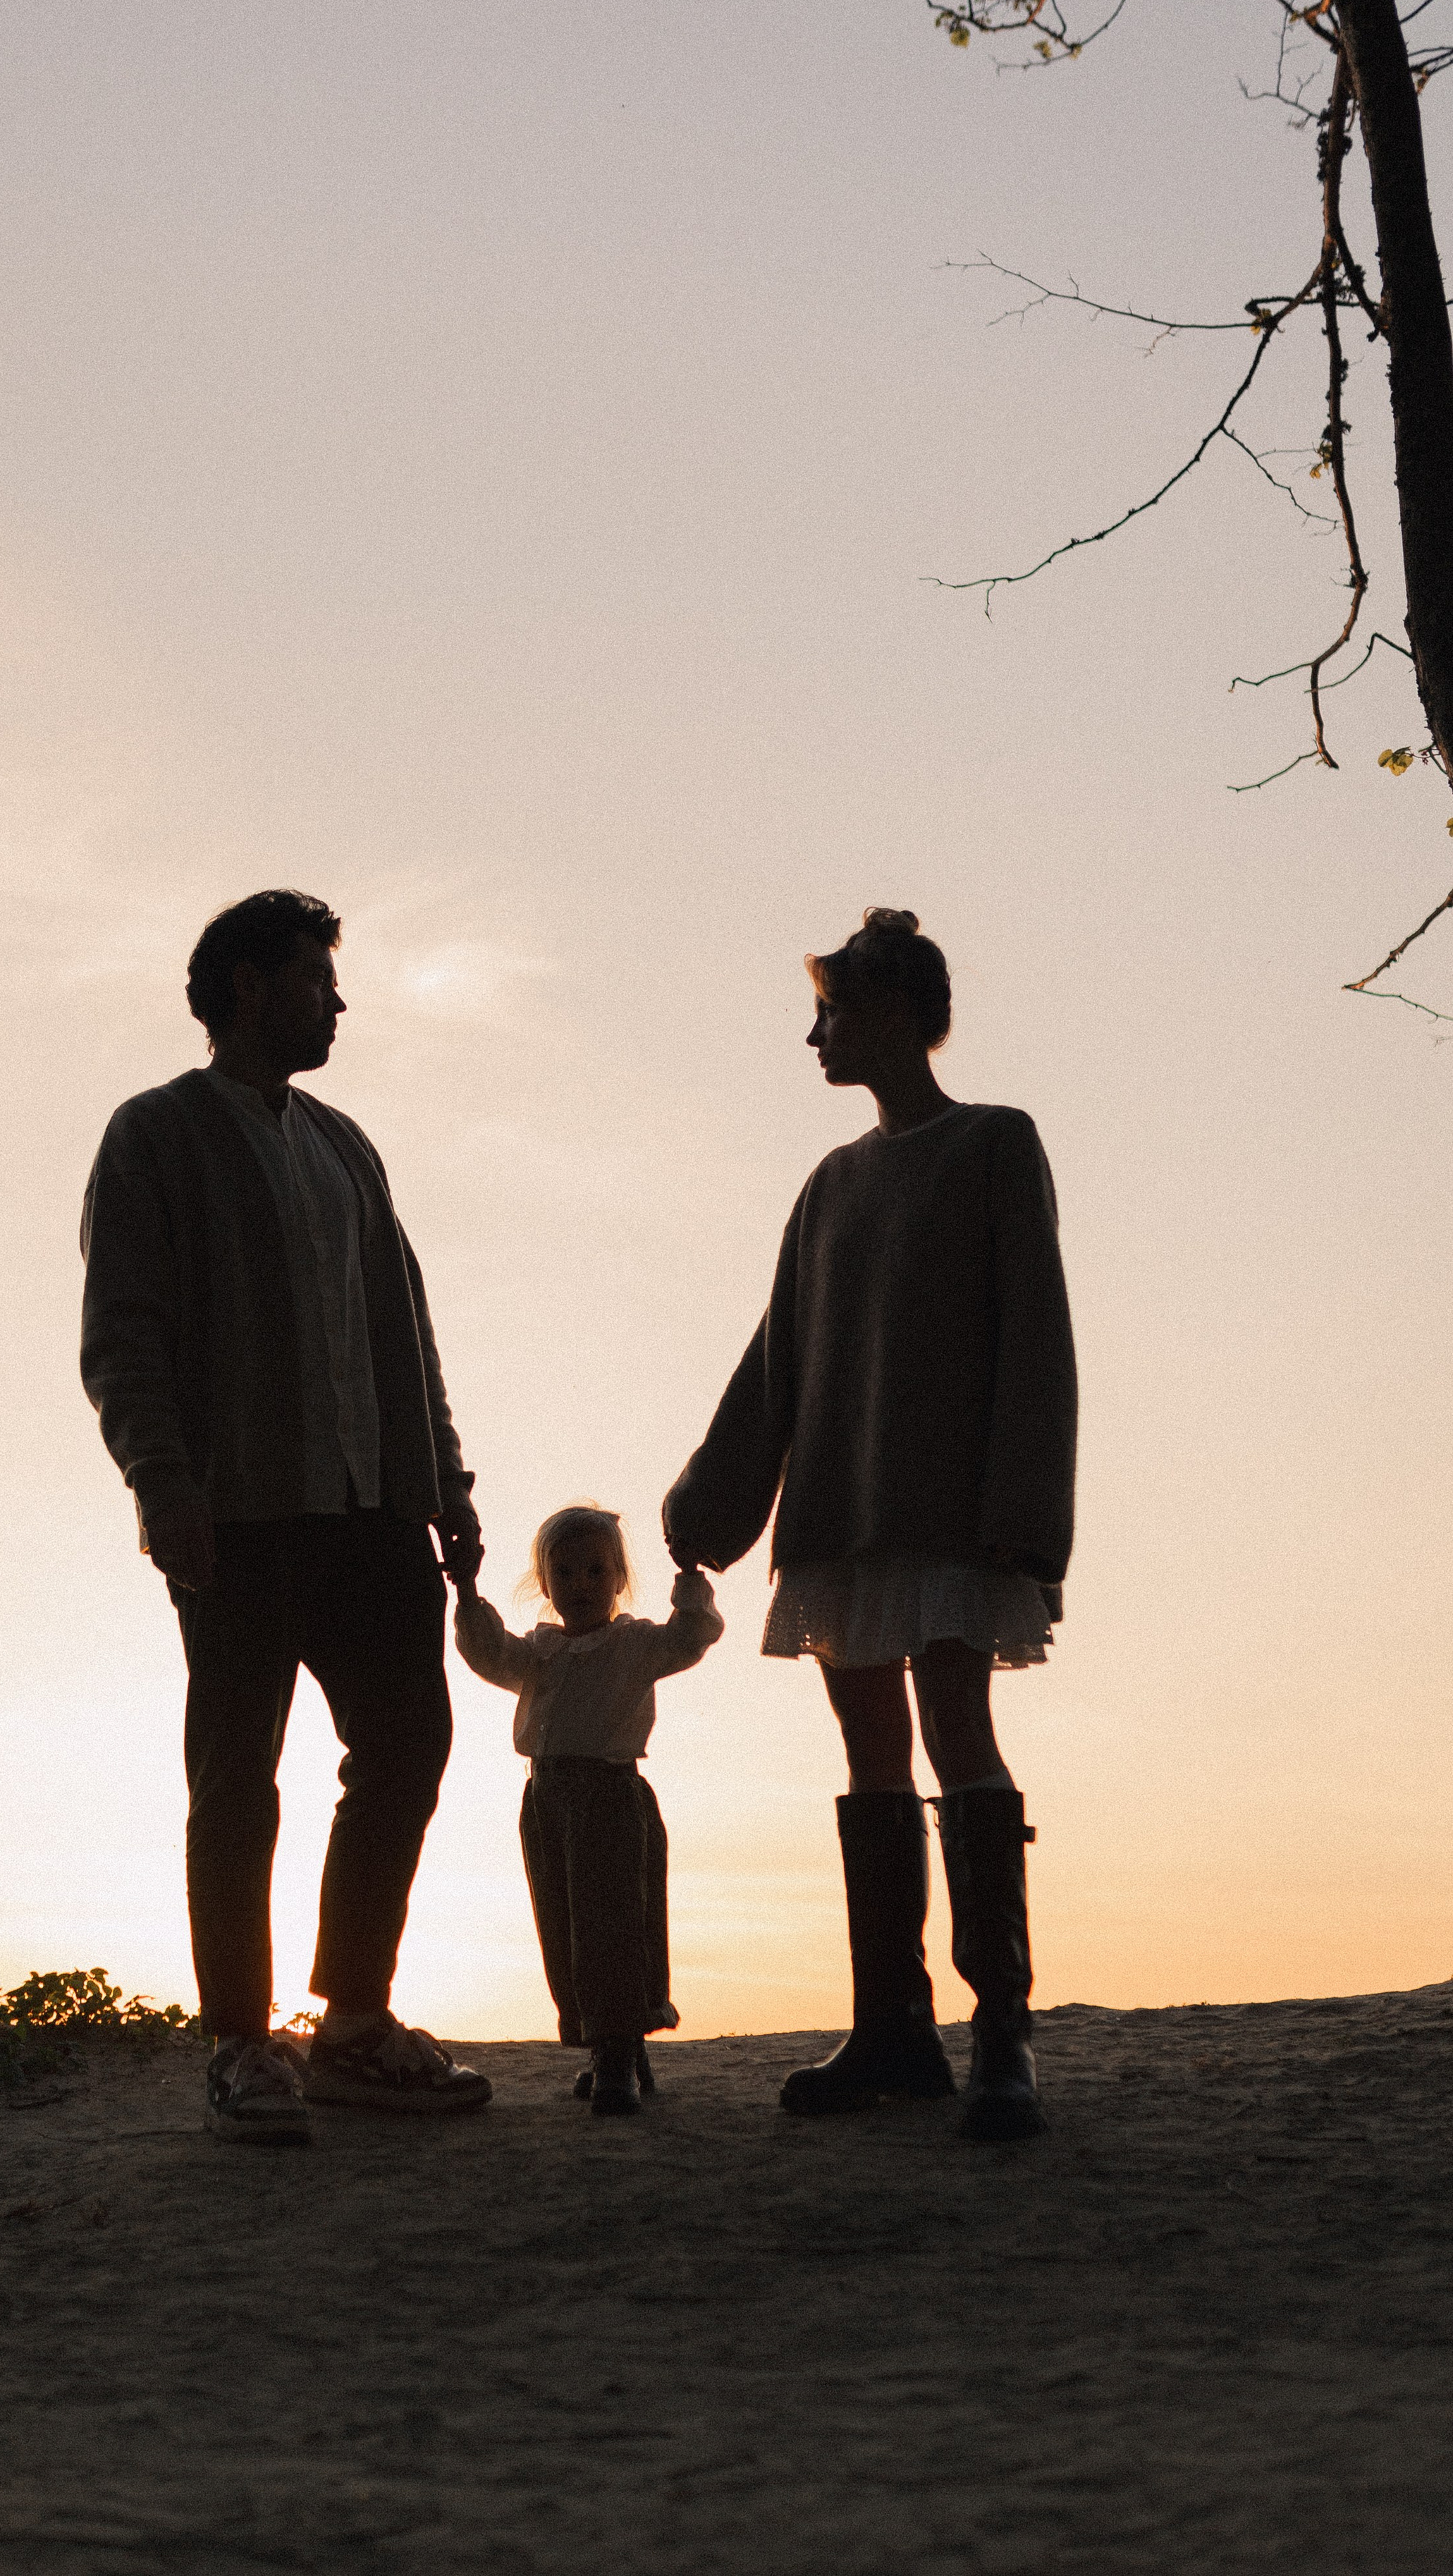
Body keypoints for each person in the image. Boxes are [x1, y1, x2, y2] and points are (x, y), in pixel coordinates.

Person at [80, 888, 492, 2144]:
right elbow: (126, 1336)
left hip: (375, 1510)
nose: (339, 1000)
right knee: (236, 1777)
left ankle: (353, 2021)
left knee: (409, 1742)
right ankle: (242, 2043)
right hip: (240, 1515)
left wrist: (450, 1485)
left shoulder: (348, 1146)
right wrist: (165, 1484)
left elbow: (404, 1332)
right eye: (319, 976)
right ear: (251, 985)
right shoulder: (154, 1133)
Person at [663, 908, 1077, 2142]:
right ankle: (894, 2026)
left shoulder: (998, 1144)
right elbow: (780, 1356)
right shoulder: (829, 1182)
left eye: (831, 1010)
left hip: (953, 1512)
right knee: (868, 1755)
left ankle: (1002, 2029)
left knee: (959, 1729)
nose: (814, 1034)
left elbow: (1037, 1332)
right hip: (839, 1513)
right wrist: (710, 1502)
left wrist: (1024, 1510)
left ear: (893, 1009)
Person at [453, 1505, 723, 2116]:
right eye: (565, 1572)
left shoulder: (636, 1645)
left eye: (595, 1571)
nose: (580, 1584)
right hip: (547, 1800)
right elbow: (487, 1650)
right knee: (566, 1926)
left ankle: (618, 2054)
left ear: (619, 1579)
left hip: (610, 1799)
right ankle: (611, 2044)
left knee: (615, 1923)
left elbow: (692, 1637)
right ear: (545, 1584)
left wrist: (689, 1578)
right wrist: (467, 1591)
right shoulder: (539, 1654)